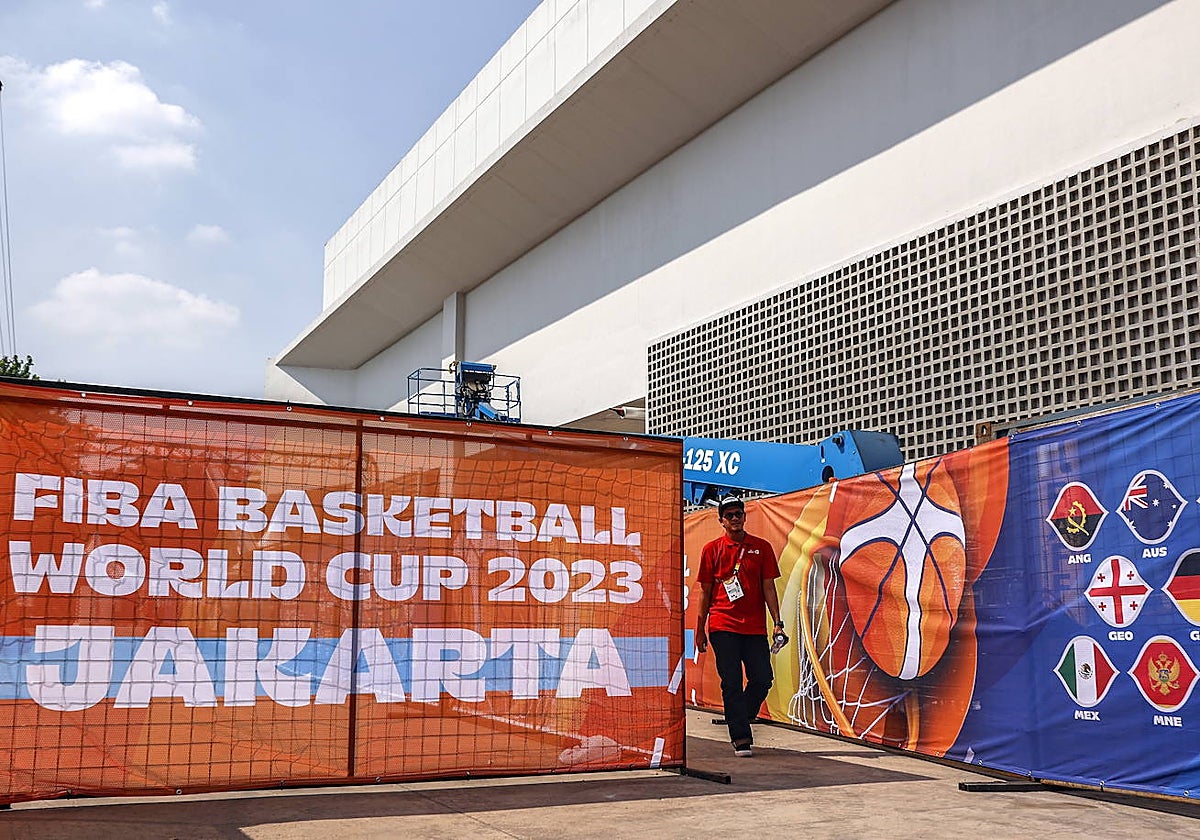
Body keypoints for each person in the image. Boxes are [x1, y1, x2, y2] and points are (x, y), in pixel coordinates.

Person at [695, 495, 783, 757]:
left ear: (745, 517)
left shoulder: (762, 547)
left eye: (739, 514)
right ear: (721, 520)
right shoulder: (712, 549)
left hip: (755, 627)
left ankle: (739, 717)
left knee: (763, 678)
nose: (735, 518)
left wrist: (778, 623)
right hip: (723, 625)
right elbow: (705, 592)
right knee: (731, 682)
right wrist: (700, 629)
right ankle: (741, 737)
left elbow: (769, 586)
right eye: (729, 515)